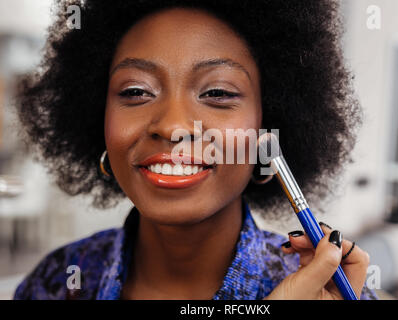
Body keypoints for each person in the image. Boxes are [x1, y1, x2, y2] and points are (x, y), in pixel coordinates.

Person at [13, 0, 377, 300]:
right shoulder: (58, 282)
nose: (172, 127)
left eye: (217, 93)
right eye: (136, 91)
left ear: (268, 129)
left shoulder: (331, 294)